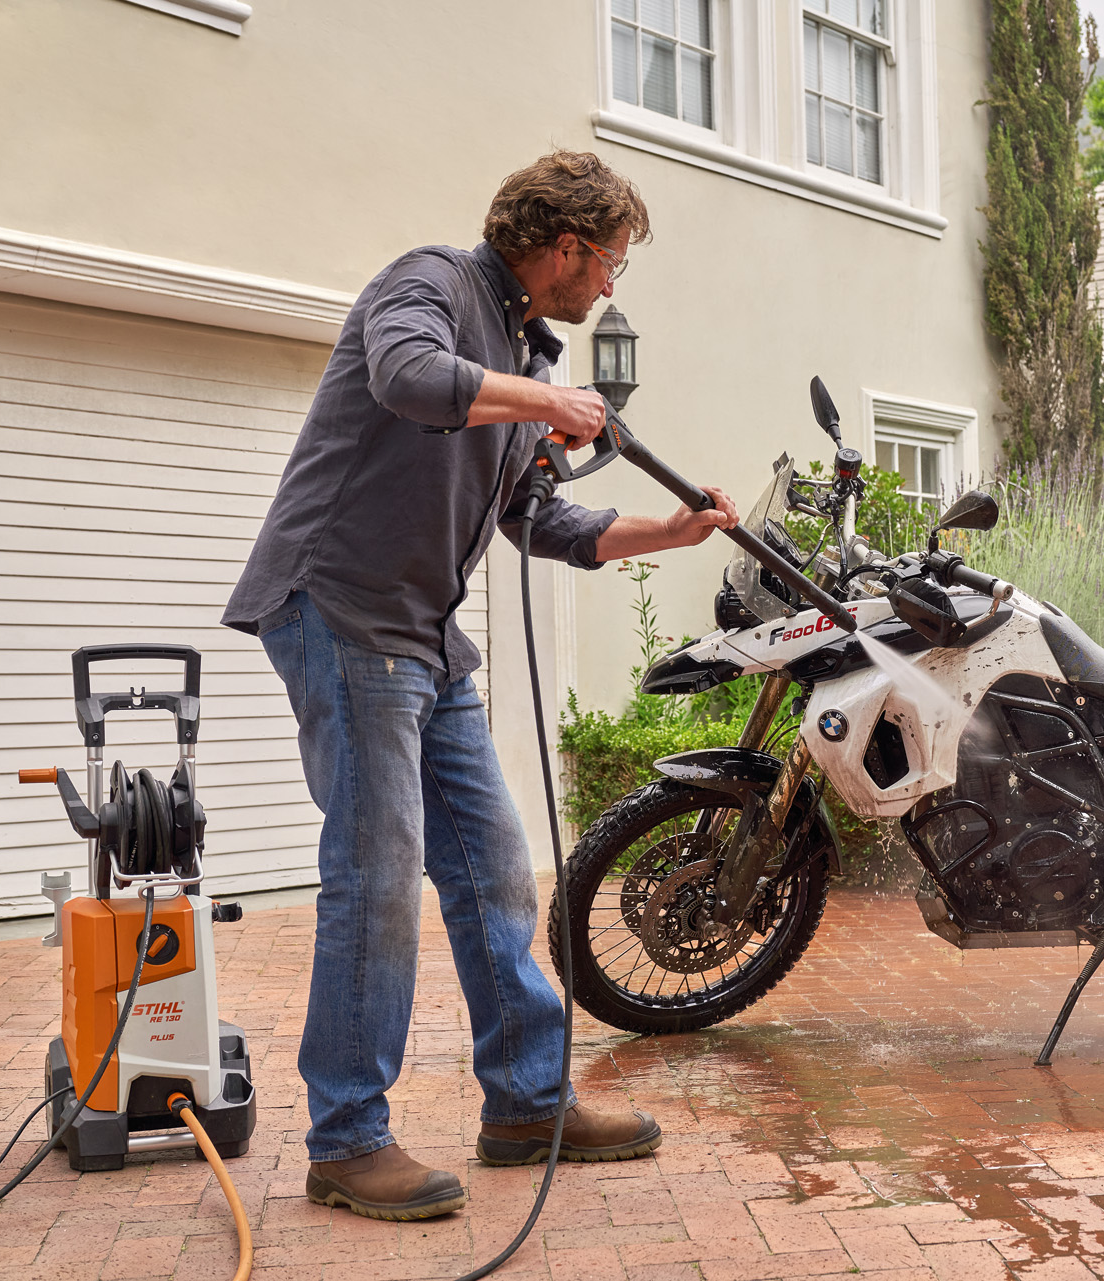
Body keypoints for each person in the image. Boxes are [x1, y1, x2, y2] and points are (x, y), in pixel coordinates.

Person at [222, 150, 737, 1222]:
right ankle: (348, 1139)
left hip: (425, 640)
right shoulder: (432, 284)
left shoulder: (522, 347)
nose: (608, 288)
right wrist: (544, 398)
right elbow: (406, 379)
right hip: (341, 609)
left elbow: (543, 520)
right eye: (611, 265)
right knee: (376, 876)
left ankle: (526, 1105)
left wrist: (671, 531)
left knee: (500, 869)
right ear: (565, 246)